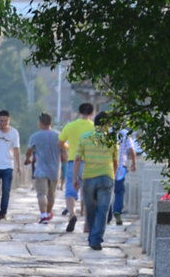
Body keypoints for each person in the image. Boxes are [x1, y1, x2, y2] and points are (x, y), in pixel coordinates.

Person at [71, 113, 122, 250]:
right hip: (106, 176)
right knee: (103, 210)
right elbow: (115, 161)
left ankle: (92, 237)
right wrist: (114, 175)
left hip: (88, 178)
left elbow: (77, 159)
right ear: (107, 124)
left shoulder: (85, 137)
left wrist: (75, 178)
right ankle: (95, 238)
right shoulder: (112, 139)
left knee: (91, 209)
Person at [57, 102, 97, 232]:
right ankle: (86, 223)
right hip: (89, 162)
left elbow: (60, 143)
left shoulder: (70, 126)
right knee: (87, 192)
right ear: (92, 113)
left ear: (79, 112)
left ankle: (72, 214)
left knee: (70, 190)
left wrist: (68, 148)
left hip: (73, 161)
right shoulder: (94, 127)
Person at [23, 112, 63, 223]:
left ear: (40, 122)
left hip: (40, 170)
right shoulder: (59, 135)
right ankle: (49, 213)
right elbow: (64, 152)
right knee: (51, 194)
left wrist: (27, 159)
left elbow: (29, 151)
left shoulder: (35, 136)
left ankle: (43, 215)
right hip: (55, 170)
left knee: (41, 194)